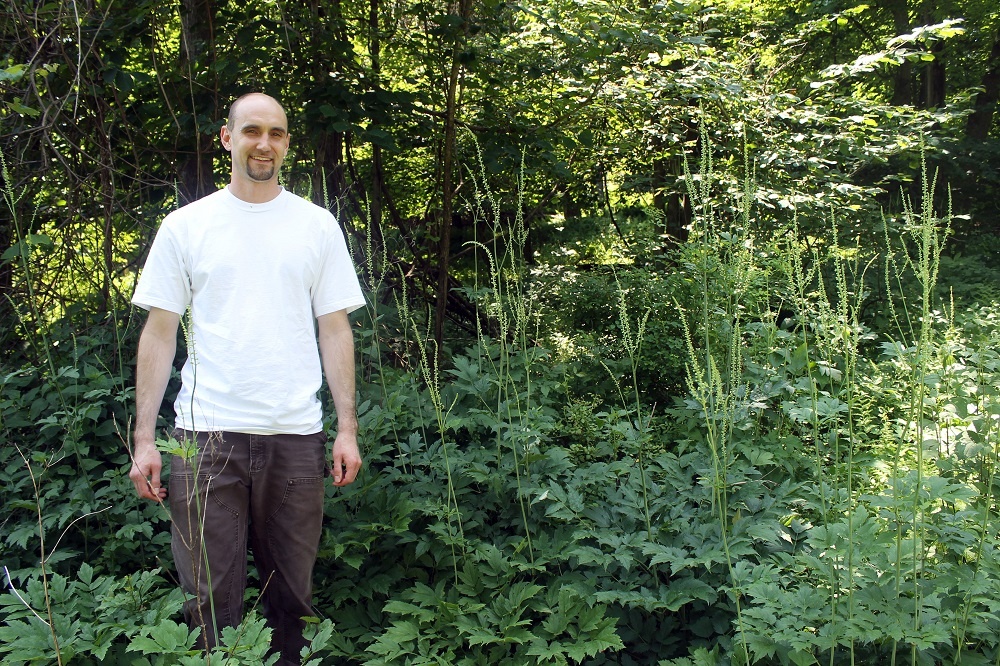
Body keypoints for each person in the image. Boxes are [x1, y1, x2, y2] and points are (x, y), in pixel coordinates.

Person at [128, 92, 365, 665]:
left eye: (277, 133)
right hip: (205, 440)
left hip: (296, 436)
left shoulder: (316, 226)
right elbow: (159, 333)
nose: (265, 143)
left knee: (293, 602)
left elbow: (334, 330)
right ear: (228, 139)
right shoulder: (188, 226)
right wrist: (143, 439)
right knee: (210, 603)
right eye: (252, 130)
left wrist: (346, 428)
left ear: (286, 143)